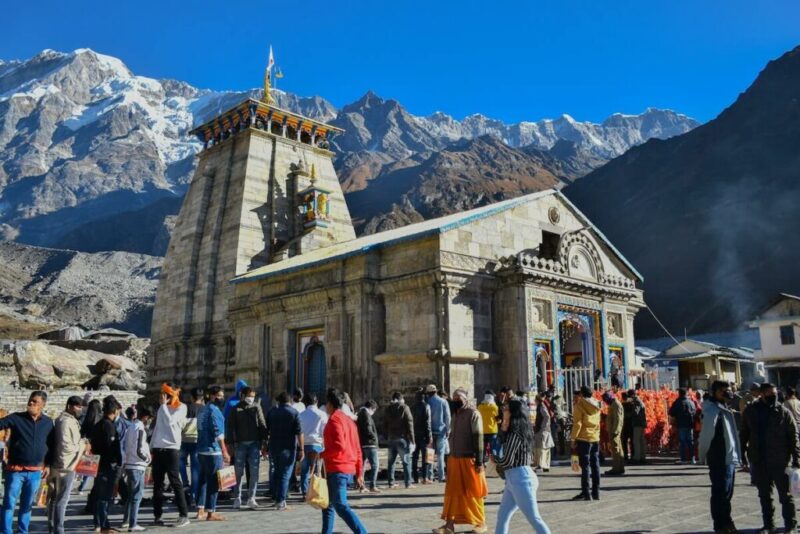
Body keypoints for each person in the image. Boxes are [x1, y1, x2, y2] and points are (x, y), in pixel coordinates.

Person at [740, 382, 800, 533]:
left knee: (785, 496)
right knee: (764, 495)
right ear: (761, 393)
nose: (773, 396)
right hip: (759, 459)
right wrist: (742, 455)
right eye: (769, 393)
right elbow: (744, 433)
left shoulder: (783, 411)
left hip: (780, 460)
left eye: (775, 393)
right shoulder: (751, 411)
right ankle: (769, 525)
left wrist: (796, 458)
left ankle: (790, 525)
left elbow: (793, 435)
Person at [433, 388, 488, 534]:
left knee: (473, 492)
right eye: (454, 397)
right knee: (452, 493)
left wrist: (479, 461)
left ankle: (480, 522)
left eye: (459, 397)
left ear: (466, 398)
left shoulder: (473, 414)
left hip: (469, 459)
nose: (456, 400)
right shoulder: (455, 414)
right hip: (454, 458)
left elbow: (479, 438)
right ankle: (449, 524)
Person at [0, 391, 55, 534]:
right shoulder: (16, 418)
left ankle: (23, 531)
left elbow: (52, 445)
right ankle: (6, 531)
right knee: (9, 504)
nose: (31, 403)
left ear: (42, 404)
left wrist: (48, 465)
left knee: (27, 506)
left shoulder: (48, 423)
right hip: (15, 471)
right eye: (30, 400)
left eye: (35, 401)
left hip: (35, 472)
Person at [494, 398, 551, 534]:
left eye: (506, 409)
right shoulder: (512, 430)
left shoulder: (516, 434)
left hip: (521, 479)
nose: (503, 411)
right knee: (502, 516)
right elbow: (499, 442)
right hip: (513, 479)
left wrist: (496, 460)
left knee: (534, 519)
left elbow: (507, 460)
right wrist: (503, 428)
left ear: (513, 412)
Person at [320, 389, 367, 534]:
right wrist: (359, 473)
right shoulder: (350, 421)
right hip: (347, 468)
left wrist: (322, 454)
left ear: (330, 404)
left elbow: (339, 445)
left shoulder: (334, 420)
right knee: (328, 505)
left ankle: (362, 532)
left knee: (340, 505)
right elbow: (358, 449)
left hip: (337, 468)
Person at [698, 380, 742, 534]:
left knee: (727, 492)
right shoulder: (712, 410)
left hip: (729, 457)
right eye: (724, 391)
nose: (727, 393)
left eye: (728, 390)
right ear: (715, 393)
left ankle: (727, 520)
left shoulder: (724, 407)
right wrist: (702, 454)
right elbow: (706, 435)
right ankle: (720, 524)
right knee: (720, 492)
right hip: (719, 457)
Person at [151, 383, 190, 528]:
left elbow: (170, 422)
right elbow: (158, 427)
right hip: (158, 448)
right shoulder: (162, 408)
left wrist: (163, 406)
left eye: (166, 395)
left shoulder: (181, 407)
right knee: (158, 483)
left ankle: (184, 515)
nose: (163, 397)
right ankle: (157, 514)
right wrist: (151, 446)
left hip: (172, 448)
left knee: (175, 482)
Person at [46, 396, 84, 534]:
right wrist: (81, 445)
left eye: (81, 406)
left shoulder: (68, 420)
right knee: (61, 500)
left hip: (63, 464)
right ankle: (58, 530)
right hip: (65, 465)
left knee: (55, 499)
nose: (80, 409)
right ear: (69, 406)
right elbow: (65, 446)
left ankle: (53, 528)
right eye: (77, 406)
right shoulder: (65, 421)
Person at [226, 386, 267, 509]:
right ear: (242, 395)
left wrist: (264, 441)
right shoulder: (235, 409)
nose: (251, 398)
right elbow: (230, 427)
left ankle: (251, 497)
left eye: (253, 396)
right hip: (240, 445)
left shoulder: (256, 407)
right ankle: (237, 497)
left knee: (254, 472)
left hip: (254, 444)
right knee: (238, 473)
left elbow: (262, 423)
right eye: (249, 396)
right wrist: (231, 444)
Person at [196, 385, 231, 522]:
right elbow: (218, 433)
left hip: (201, 450)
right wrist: (224, 451)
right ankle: (211, 512)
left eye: (222, 396)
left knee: (202, 480)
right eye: (219, 396)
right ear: (211, 395)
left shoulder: (202, 410)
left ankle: (200, 509)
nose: (221, 398)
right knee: (214, 482)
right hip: (213, 451)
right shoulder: (214, 411)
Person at [265, 392, 303, 510]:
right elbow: (299, 432)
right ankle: (281, 501)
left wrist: (265, 446)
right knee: (285, 474)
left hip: (274, 447)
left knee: (276, 473)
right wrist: (301, 449)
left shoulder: (271, 412)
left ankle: (276, 498)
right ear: (290, 401)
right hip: (288, 448)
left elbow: (266, 431)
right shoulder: (294, 413)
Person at [91, 397, 122, 533]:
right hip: (107, 466)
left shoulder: (98, 424)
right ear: (115, 411)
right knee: (105, 497)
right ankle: (104, 524)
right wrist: (116, 462)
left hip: (98, 464)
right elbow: (110, 447)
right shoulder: (109, 426)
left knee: (99, 496)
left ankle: (98, 523)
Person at [122, 407, 153, 532]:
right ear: (145, 417)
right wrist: (146, 459)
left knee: (131, 495)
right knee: (137, 495)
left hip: (130, 463)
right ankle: (133, 523)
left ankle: (126, 520)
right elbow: (139, 448)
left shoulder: (130, 426)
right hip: (137, 464)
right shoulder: (140, 428)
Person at [569, 386, 601, 501]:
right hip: (595, 437)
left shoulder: (580, 406)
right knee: (595, 465)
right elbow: (598, 423)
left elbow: (577, 424)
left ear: (582, 394)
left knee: (585, 466)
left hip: (583, 438)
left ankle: (586, 493)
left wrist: (573, 439)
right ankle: (596, 492)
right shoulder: (597, 404)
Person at [298, 393, 328, 498]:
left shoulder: (301, 415)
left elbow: (298, 432)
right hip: (317, 445)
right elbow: (324, 431)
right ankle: (318, 492)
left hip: (304, 444)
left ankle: (305, 493)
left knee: (304, 471)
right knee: (318, 470)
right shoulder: (322, 414)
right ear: (317, 402)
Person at [384, 391, 415, 489]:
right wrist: (412, 440)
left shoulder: (388, 409)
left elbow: (384, 424)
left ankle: (391, 483)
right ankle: (408, 483)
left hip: (391, 438)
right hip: (402, 438)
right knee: (406, 462)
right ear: (401, 398)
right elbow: (410, 424)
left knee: (391, 462)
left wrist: (386, 436)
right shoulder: (405, 407)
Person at [179, 387, 203, 510]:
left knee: (181, 461)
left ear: (192, 398)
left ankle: (185, 482)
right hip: (197, 441)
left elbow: (181, 424)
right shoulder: (204, 409)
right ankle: (193, 497)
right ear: (202, 398)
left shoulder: (187, 408)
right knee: (195, 468)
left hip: (184, 440)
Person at [426, 385, 451, 483]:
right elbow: (447, 417)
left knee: (430, 455)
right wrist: (448, 430)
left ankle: (430, 476)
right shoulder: (443, 402)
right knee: (441, 455)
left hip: (430, 433)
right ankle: (441, 476)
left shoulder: (427, 402)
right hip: (441, 431)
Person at [78, 398, 102, 497]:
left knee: (87, 468)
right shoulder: (101, 418)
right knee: (95, 468)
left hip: (87, 445)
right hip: (97, 446)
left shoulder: (85, 418)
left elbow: (82, 433)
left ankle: (82, 486)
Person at [356, 400, 380, 493]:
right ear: (371, 408)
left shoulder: (360, 414)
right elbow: (368, 429)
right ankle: (372, 485)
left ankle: (362, 486)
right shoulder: (366, 415)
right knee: (375, 465)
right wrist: (374, 438)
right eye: (374, 410)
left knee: (362, 466)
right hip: (370, 444)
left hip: (362, 443)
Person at [669, 388, 698, 464]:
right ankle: (692, 458)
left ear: (679, 394)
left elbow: (671, 413)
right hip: (690, 424)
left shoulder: (677, 402)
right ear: (686, 394)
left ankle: (683, 459)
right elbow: (695, 412)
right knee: (690, 441)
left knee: (682, 442)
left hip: (681, 424)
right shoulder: (691, 402)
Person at [411, 388, 433, 485]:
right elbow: (427, 422)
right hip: (424, 435)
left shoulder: (412, 407)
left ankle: (415, 477)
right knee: (426, 458)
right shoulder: (426, 406)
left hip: (414, 435)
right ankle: (425, 477)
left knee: (415, 457)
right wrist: (429, 436)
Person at [602, 391, 625, 476]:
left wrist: (615, 431)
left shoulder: (616, 404)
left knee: (616, 450)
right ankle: (620, 467)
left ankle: (616, 468)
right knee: (618, 449)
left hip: (614, 431)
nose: (605, 402)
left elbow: (618, 419)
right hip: (613, 430)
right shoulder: (613, 404)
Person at [533, 392, 554, 473]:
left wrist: (542, 427)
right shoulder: (542, 405)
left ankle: (541, 466)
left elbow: (547, 416)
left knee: (541, 448)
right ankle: (546, 466)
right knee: (545, 448)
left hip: (543, 431)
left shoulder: (541, 407)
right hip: (545, 430)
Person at [477, 391, 499, 462]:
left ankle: (482, 462)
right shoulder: (495, 407)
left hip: (482, 431)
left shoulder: (480, 407)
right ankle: (493, 463)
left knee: (482, 449)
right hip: (493, 431)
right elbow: (498, 420)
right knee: (493, 449)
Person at [629, 389, 648, 464]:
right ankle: (642, 456)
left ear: (632, 395)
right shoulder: (639, 401)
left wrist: (630, 414)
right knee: (641, 441)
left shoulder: (637, 402)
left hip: (638, 423)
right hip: (641, 423)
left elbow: (636, 412)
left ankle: (637, 458)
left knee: (636, 441)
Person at [621, 391, 633, 461]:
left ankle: (626, 454)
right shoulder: (631, 403)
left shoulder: (623, 404)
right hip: (630, 424)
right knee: (631, 440)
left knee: (625, 441)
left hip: (625, 424)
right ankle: (632, 454)